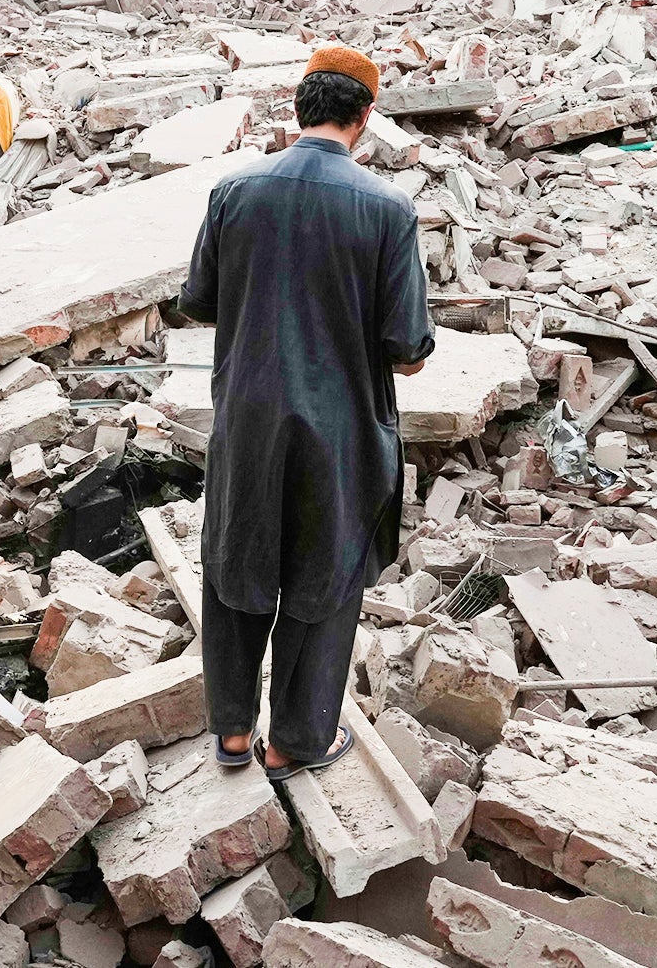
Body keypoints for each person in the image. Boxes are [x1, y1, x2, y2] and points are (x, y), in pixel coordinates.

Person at [177, 44, 435, 782]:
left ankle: (231, 733)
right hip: (342, 429)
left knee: (235, 562)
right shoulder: (387, 209)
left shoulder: (235, 190)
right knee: (325, 578)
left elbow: (198, 302)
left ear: (300, 109)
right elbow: (408, 349)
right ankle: (293, 741)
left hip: (250, 419)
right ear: (365, 117)